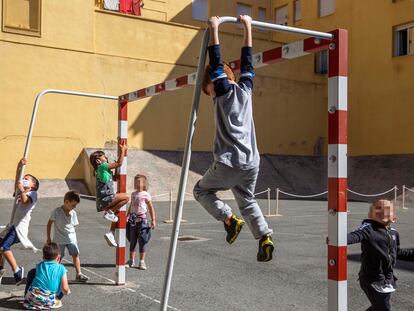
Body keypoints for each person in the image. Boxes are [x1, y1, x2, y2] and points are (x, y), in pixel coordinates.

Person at [193, 15, 274, 262]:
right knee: (247, 199)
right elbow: (248, 64)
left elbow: (215, 59)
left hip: (229, 161)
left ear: (214, 84)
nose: (209, 96)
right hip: (251, 162)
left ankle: (229, 219)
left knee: (200, 191)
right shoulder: (245, 89)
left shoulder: (222, 92)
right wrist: (248, 26)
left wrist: (214, 28)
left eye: (208, 91)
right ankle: (264, 238)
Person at [347, 199, 414, 311]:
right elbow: (355, 236)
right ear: (370, 214)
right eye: (378, 208)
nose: (383, 211)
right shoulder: (368, 229)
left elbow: (397, 252)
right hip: (371, 279)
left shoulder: (394, 233)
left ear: (394, 218)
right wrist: (338, 238)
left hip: (388, 280)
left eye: (387, 209)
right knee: (383, 308)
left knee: (377, 307)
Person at [0, 158, 39, 285]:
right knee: (0, 243)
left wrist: (22, 189)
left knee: (4, 246)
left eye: (27, 179)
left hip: (19, 227)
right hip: (12, 225)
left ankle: (17, 270)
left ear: (33, 185)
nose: (24, 179)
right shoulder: (19, 191)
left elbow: (24, 201)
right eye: (24, 178)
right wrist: (19, 166)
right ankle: (0, 268)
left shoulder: (33, 194)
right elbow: (18, 179)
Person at [89, 144, 129, 247]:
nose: (106, 158)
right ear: (98, 161)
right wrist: (123, 150)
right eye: (104, 156)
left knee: (115, 215)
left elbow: (115, 178)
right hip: (107, 198)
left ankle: (111, 232)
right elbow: (120, 163)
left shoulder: (101, 170)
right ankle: (110, 212)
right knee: (126, 197)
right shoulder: (102, 166)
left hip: (103, 201)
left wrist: (115, 169)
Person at [46, 190, 89, 282]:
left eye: (75, 205)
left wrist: (73, 236)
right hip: (59, 240)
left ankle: (79, 274)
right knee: (58, 257)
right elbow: (49, 224)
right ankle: (53, 275)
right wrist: (48, 238)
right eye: (73, 205)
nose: (74, 207)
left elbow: (74, 226)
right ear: (66, 202)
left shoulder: (73, 213)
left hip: (71, 240)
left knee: (75, 255)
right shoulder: (56, 212)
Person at [23, 242, 71, 310]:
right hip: (49, 301)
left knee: (32, 272)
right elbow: (65, 289)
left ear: (43, 257)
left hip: (32, 298)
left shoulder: (40, 265)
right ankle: (56, 299)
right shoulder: (61, 268)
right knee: (62, 281)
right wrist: (67, 291)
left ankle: (26, 296)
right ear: (59, 257)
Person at [126, 174, 156, 270]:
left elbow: (151, 207)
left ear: (144, 183)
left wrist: (153, 220)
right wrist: (127, 215)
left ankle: (142, 262)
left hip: (142, 221)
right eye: (136, 182)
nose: (138, 183)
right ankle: (131, 260)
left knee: (142, 241)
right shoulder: (133, 194)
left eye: (140, 181)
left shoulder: (146, 194)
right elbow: (131, 206)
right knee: (132, 240)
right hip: (132, 220)